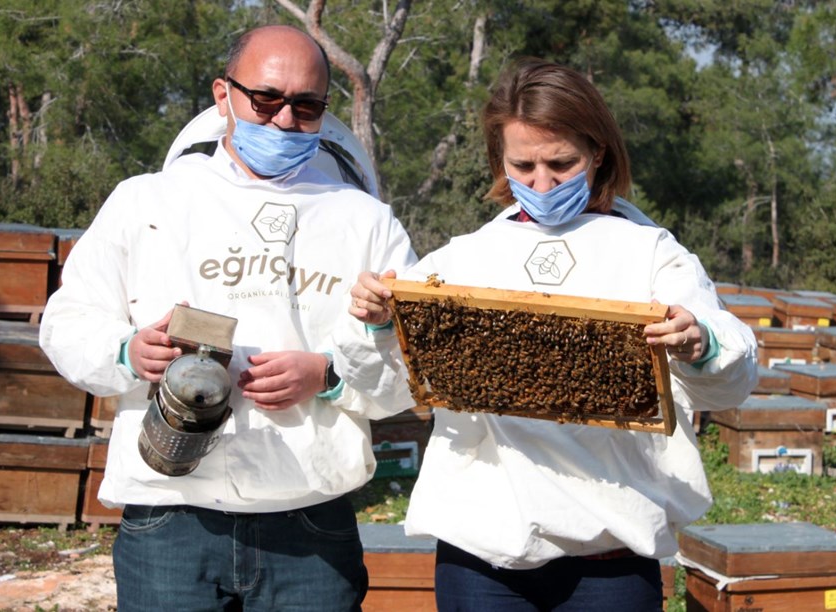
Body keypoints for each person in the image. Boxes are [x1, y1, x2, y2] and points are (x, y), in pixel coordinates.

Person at [349, 57, 758, 611]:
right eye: (523, 166)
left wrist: (700, 343)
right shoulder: (463, 260)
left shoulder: (651, 252)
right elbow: (380, 389)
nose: (541, 183)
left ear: (597, 152)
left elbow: (730, 376)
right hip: (482, 555)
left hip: (611, 555)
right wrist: (376, 324)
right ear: (500, 161)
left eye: (561, 163)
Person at [39, 25, 417, 611]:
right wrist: (127, 352)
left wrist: (328, 375)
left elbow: (412, 368)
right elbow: (67, 321)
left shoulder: (366, 222)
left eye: (307, 105)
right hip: (169, 516)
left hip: (309, 522)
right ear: (223, 96)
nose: (284, 120)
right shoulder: (145, 202)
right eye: (265, 100)